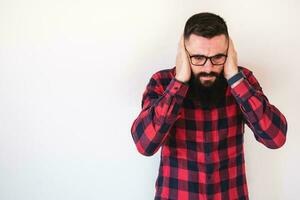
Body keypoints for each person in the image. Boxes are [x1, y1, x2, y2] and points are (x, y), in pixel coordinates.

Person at [130, 12, 287, 200]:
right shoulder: (162, 82)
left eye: (218, 58)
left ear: (229, 54)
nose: (208, 68)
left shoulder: (242, 81)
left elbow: (275, 138)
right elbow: (144, 145)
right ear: (184, 54)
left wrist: (235, 78)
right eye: (197, 58)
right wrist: (179, 81)